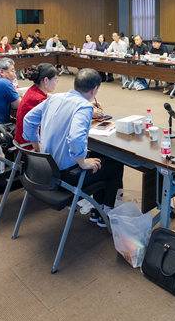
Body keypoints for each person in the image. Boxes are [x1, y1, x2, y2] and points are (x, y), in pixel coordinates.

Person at [23, 68, 125, 227]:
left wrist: (36, 147)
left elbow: (28, 119)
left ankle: (97, 209)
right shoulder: (84, 107)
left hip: (44, 168)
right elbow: (76, 137)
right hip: (65, 177)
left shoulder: (54, 98)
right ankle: (104, 213)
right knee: (115, 163)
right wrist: (82, 162)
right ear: (95, 90)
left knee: (98, 157)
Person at [14, 63, 58, 144]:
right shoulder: (39, 100)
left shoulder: (33, 89)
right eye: (55, 79)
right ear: (46, 80)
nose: (57, 82)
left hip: (21, 139)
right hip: (29, 145)